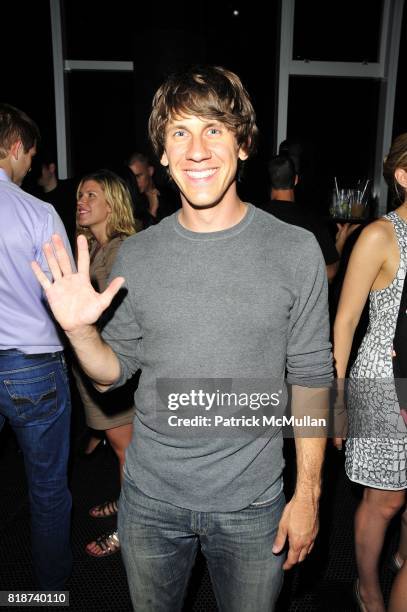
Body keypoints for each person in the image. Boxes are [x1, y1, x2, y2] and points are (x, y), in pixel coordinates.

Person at [32, 65, 333, 611]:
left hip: (253, 504)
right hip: (149, 503)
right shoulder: (138, 255)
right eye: (179, 133)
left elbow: (313, 377)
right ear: (163, 156)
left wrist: (309, 492)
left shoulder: (294, 251)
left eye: (214, 129)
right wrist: (79, 332)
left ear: (243, 144)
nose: (197, 148)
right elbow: (113, 371)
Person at [0, 103, 73, 589]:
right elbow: (66, 297)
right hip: (32, 366)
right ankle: (48, 596)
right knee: (47, 491)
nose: (31, 164)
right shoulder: (36, 212)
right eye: (29, 154)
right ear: (15, 148)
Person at [333, 133, 407, 612]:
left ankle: (401, 566)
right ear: (403, 177)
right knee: (386, 501)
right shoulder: (381, 235)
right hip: (381, 380)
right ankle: (369, 588)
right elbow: (345, 321)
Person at [73, 169, 138, 556]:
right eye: (80, 194)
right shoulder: (95, 247)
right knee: (123, 453)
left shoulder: (122, 248)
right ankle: (124, 501)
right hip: (98, 370)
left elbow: (119, 313)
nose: (81, 200)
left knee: (127, 454)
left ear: (113, 203)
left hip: (117, 371)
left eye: (91, 195)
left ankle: (128, 530)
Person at [260, 154, 358, 282]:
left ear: (269, 182)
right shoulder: (312, 220)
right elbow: (329, 274)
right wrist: (341, 241)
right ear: (295, 180)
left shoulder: (256, 217)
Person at [35, 152, 78, 248]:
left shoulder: (71, 190)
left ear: (51, 168)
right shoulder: (36, 200)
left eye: (40, 169)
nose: (36, 174)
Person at [127, 151, 180, 225]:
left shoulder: (170, 194)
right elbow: (142, 235)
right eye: (133, 177)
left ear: (150, 171)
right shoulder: (131, 204)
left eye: (138, 176)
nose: (135, 181)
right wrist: (152, 210)